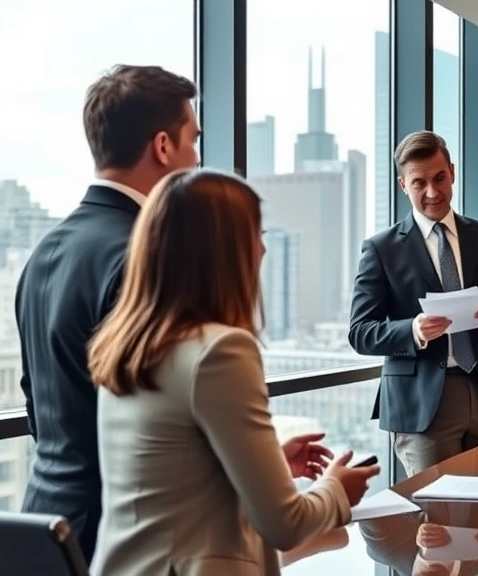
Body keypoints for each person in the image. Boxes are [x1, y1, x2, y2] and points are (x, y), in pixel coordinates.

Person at [87, 168, 380, 575]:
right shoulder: (222, 351)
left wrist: (269, 467)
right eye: (256, 234)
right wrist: (338, 490)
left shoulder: (128, 345)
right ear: (225, 250)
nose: (263, 249)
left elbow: (168, 482)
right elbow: (285, 525)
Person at [15, 64, 200, 561]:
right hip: (123, 538)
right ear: (163, 147)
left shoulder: (42, 254)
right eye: (193, 141)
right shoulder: (146, 255)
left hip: (44, 525)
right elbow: (164, 425)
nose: (196, 159)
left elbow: (38, 402)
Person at [348, 130, 478, 476]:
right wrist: (413, 329)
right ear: (404, 185)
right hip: (423, 404)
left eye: (439, 178)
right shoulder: (381, 249)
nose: (432, 192)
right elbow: (360, 332)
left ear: (452, 171)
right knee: (436, 519)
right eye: (419, 183)